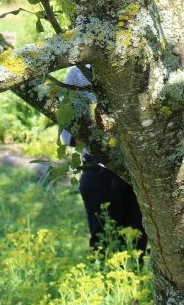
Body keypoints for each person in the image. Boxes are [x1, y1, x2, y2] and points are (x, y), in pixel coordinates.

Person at [63, 65, 148, 253]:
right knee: (103, 243)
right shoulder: (79, 74)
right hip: (100, 170)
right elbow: (68, 130)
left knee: (138, 244)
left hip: (143, 170)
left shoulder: (143, 67)